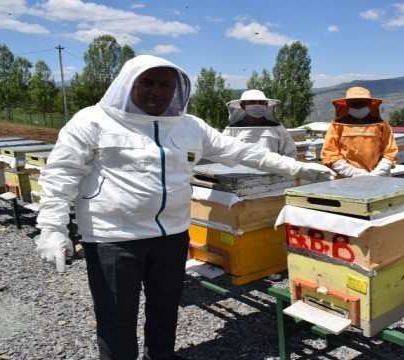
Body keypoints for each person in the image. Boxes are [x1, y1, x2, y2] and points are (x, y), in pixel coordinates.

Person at [34, 55, 334, 360]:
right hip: (113, 239)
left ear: (177, 89)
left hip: (173, 235)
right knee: (116, 319)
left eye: (165, 84)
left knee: (165, 310)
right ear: (128, 84)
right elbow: (61, 174)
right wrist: (52, 228)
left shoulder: (189, 126)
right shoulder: (92, 121)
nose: (157, 91)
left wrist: (296, 168)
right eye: (147, 82)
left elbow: (241, 152)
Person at [321, 86, 398, 178]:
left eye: (361, 103)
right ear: (347, 104)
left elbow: (390, 152)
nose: (358, 107)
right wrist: (353, 173)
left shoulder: (382, 125)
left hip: (378, 179)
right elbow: (329, 153)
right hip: (345, 180)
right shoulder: (336, 126)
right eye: (354, 104)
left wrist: (378, 172)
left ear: (369, 104)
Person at [222, 89, 297, 157]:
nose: (257, 105)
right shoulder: (231, 130)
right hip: (240, 171)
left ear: (266, 105)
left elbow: (290, 153)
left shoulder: (278, 129)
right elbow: (224, 153)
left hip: (271, 171)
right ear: (242, 106)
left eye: (261, 102)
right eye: (252, 102)